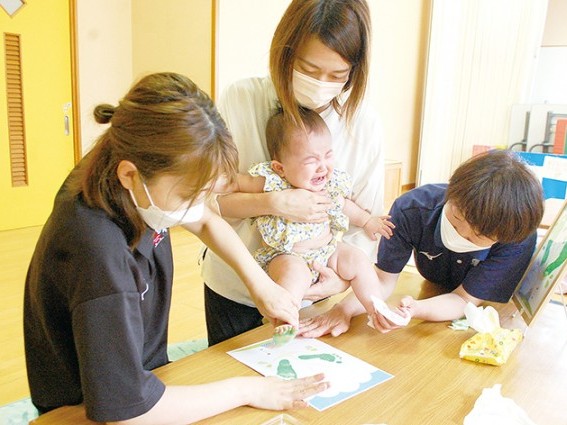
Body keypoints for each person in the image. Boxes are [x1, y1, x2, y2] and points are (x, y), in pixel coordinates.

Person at [23, 72, 328, 424]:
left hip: (134, 376)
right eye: (188, 195)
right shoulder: (99, 252)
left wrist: (263, 287)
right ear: (130, 175)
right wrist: (248, 390)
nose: (197, 206)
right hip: (83, 409)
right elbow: (129, 414)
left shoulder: (118, 161)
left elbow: (205, 219)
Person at [202, 0, 386, 346]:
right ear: (285, 53)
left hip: (318, 292)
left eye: (337, 75)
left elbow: (364, 225)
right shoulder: (242, 98)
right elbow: (209, 203)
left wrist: (339, 283)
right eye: (308, 69)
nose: (321, 84)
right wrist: (275, 202)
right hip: (234, 286)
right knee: (230, 372)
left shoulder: (364, 125)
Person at [300, 150, 545, 337]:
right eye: (456, 220)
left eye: (475, 237)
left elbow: (464, 300)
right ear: (451, 194)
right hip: (434, 288)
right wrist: (343, 309)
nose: (461, 235)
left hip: (485, 310)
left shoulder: (516, 235)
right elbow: (382, 280)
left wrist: (416, 309)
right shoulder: (411, 210)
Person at [233, 108, 394, 329]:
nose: (323, 167)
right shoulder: (275, 182)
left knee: (358, 260)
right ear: (280, 168)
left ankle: (376, 308)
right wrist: (220, 181)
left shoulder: (330, 185)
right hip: (287, 255)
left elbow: (344, 205)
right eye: (311, 160)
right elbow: (239, 183)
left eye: (328, 155)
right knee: (294, 276)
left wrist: (367, 221)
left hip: (327, 251)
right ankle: (284, 319)